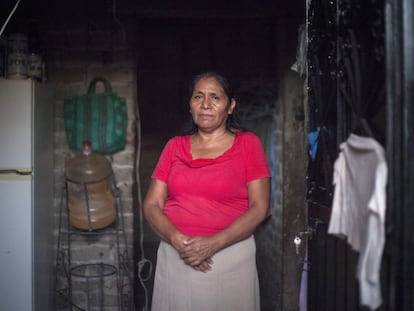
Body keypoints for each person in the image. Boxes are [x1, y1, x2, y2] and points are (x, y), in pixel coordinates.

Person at [143, 71, 271, 311]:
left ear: (230, 106)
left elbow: (260, 207)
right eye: (198, 96)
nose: (205, 105)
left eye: (215, 98)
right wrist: (177, 239)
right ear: (190, 104)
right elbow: (151, 205)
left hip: (229, 259)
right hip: (176, 256)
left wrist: (213, 244)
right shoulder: (174, 146)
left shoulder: (248, 144)